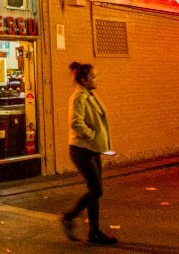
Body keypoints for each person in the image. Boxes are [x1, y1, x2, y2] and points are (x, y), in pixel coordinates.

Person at [61, 62, 117, 246]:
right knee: (96, 190)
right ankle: (69, 217)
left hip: (91, 149)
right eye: (93, 77)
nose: (96, 79)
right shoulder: (79, 97)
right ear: (84, 80)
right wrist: (92, 137)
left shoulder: (88, 94)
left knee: (95, 190)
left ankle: (94, 232)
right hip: (82, 150)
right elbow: (76, 122)